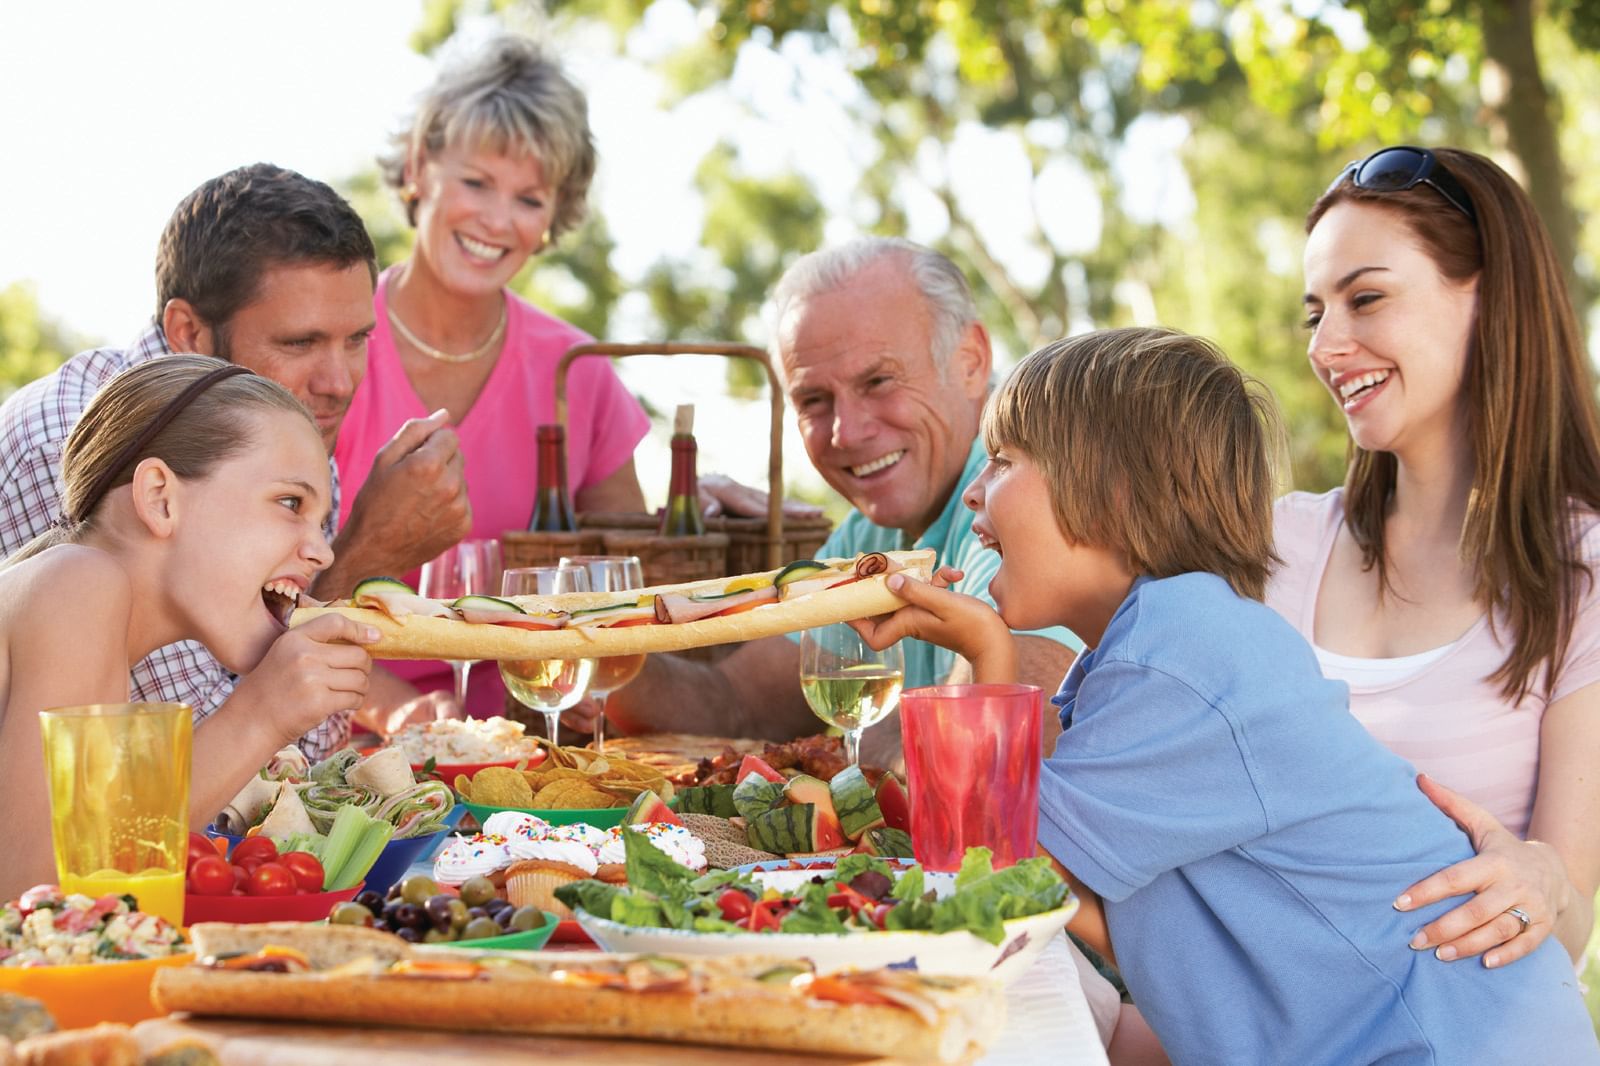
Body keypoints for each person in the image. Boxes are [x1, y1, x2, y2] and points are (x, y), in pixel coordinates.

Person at [853, 327, 1600, 1065]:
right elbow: (1069, 894)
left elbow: (993, 869)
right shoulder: (1151, 647)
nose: (976, 491)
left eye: (1005, 461)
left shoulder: (1183, 649)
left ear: (1113, 492)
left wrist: (987, 650)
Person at [0, 164, 469, 760]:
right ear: (189, 333)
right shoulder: (79, 443)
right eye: (300, 342)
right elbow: (219, 788)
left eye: (357, 339)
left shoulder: (282, 445)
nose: (339, 381)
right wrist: (365, 555)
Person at [1274, 146, 1600, 969]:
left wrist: (1540, 879)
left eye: (1367, 298)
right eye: (1317, 314)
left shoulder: (1583, 576)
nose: (1327, 346)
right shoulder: (1282, 544)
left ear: (1488, 301)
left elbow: (1563, 929)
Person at [595, 238, 1081, 764]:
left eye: (877, 381)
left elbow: (1020, 730)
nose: (846, 433)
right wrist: (593, 649)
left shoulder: (1025, 499)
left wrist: (813, 763)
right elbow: (737, 707)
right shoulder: (865, 536)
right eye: (813, 401)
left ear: (969, 362)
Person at [337, 33, 650, 725]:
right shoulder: (333, 346)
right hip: (334, 739)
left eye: (529, 199)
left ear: (553, 215)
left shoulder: (582, 375)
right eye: (476, 182)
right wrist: (409, 721)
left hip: (523, 752)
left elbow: (624, 591)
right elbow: (259, 600)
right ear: (421, 168)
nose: (497, 220)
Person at [0, 356, 379, 897]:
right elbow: (41, 899)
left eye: (321, 522)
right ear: (160, 498)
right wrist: (261, 713)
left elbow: (111, 856)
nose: (320, 552)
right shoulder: (77, 582)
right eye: (290, 502)